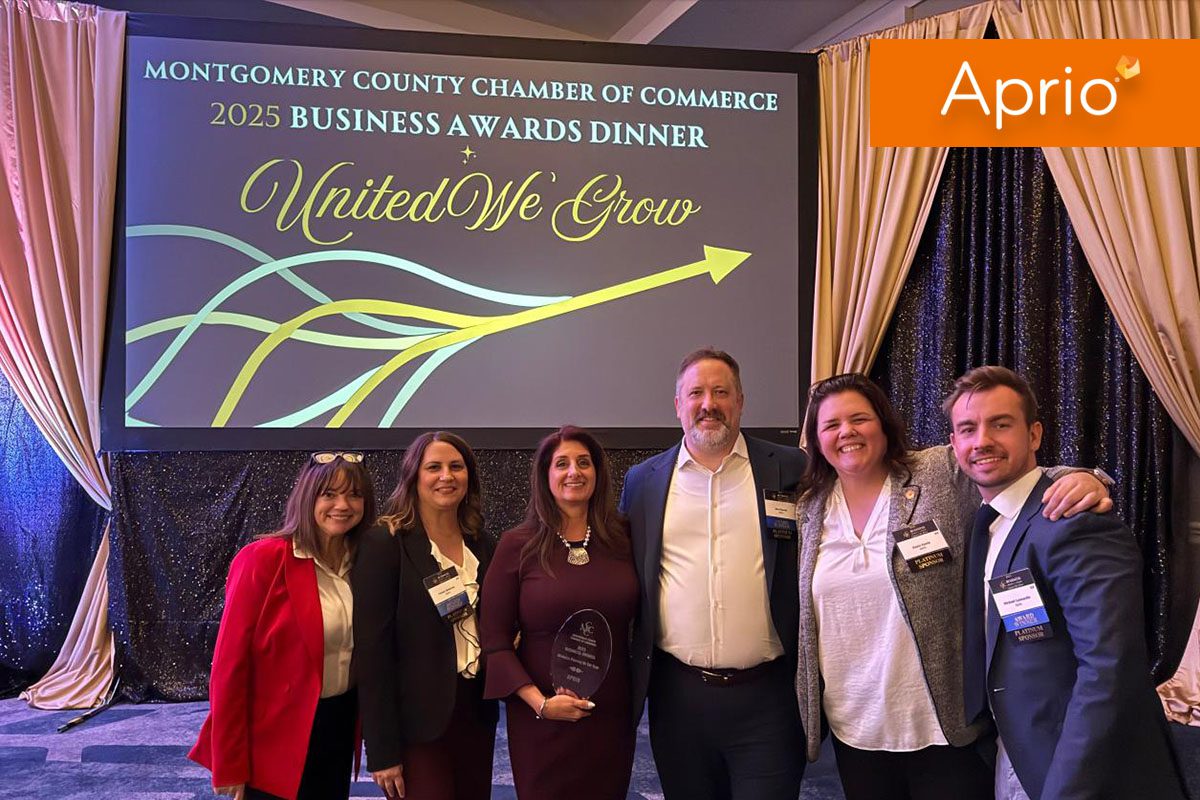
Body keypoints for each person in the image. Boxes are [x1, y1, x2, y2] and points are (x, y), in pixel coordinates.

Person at [795, 373, 1112, 800]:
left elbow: (1013, 471)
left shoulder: (935, 472)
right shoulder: (810, 508)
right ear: (816, 440)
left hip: (942, 723)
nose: (846, 432)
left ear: (883, 424)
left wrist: (1085, 478)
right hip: (854, 724)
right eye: (831, 425)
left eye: (859, 419)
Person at [947, 366, 1187, 800]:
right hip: (1017, 751)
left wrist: (1066, 788)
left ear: (1034, 434)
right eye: (968, 429)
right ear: (954, 443)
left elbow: (1109, 670)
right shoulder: (987, 521)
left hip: (1080, 768)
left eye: (1000, 424)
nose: (982, 441)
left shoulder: (1074, 519)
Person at [619, 348, 805, 800]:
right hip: (679, 700)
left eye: (721, 392)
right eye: (696, 393)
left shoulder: (791, 468)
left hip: (769, 697)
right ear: (677, 405)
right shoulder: (643, 481)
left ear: (740, 401)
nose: (709, 404)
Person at [189, 451, 376, 800]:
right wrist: (229, 762)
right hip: (272, 738)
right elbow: (229, 669)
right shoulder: (263, 560)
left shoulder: (364, 563)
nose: (343, 505)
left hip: (337, 724)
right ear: (308, 497)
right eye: (329, 494)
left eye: (354, 494)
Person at [480, 425, 638, 799]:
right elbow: (495, 641)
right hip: (541, 718)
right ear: (545, 475)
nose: (574, 472)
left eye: (584, 462)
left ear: (597, 472)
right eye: (562, 463)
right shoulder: (517, 545)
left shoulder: (625, 537)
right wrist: (541, 704)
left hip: (611, 716)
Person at [352, 432, 498, 800]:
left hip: (475, 713)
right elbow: (372, 655)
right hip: (415, 726)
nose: (446, 476)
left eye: (456, 467)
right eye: (434, 467)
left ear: (469, 476)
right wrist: (382, 751)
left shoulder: (482, 543)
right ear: (413, 476)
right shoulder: (385, 543)